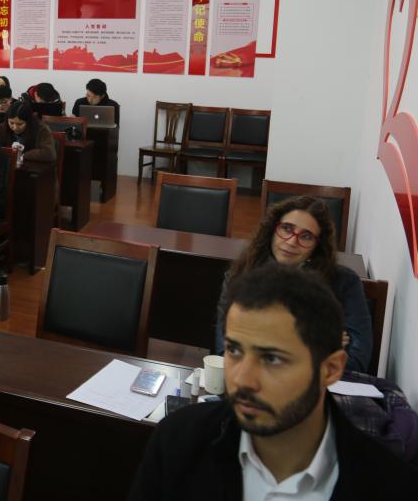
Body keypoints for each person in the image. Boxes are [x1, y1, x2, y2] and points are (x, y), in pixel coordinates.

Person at [130, 264, 418, 499]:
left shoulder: (391, 486)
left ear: (331, 369)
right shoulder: (177, 442)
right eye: (234, 350)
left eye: (272, 359)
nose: (242, 380)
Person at [215, 196, 372, 373]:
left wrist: (260, 342)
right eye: (286, 229)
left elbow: (357, 362)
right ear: (272, 229)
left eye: (305, 236)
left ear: (317, 245)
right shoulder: (240, 274)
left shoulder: (345, 282)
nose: (291, 242)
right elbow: (224, 351)